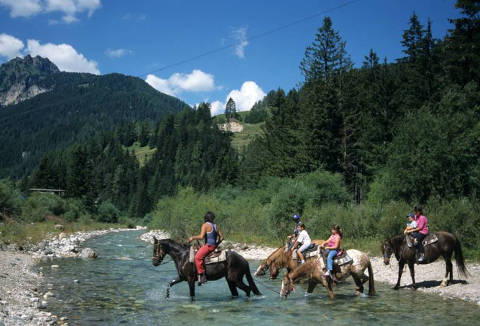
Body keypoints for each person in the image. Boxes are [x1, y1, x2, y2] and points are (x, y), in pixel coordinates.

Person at [189, 211, 224, 285]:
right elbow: (222, 237)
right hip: (213, 246)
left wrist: (193, 237)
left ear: (206, 218)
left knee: (197, 257)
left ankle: (202, 275)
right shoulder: (215, 226)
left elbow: (201, 237)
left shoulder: (205, 225)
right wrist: (217, 244)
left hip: (208, 246)